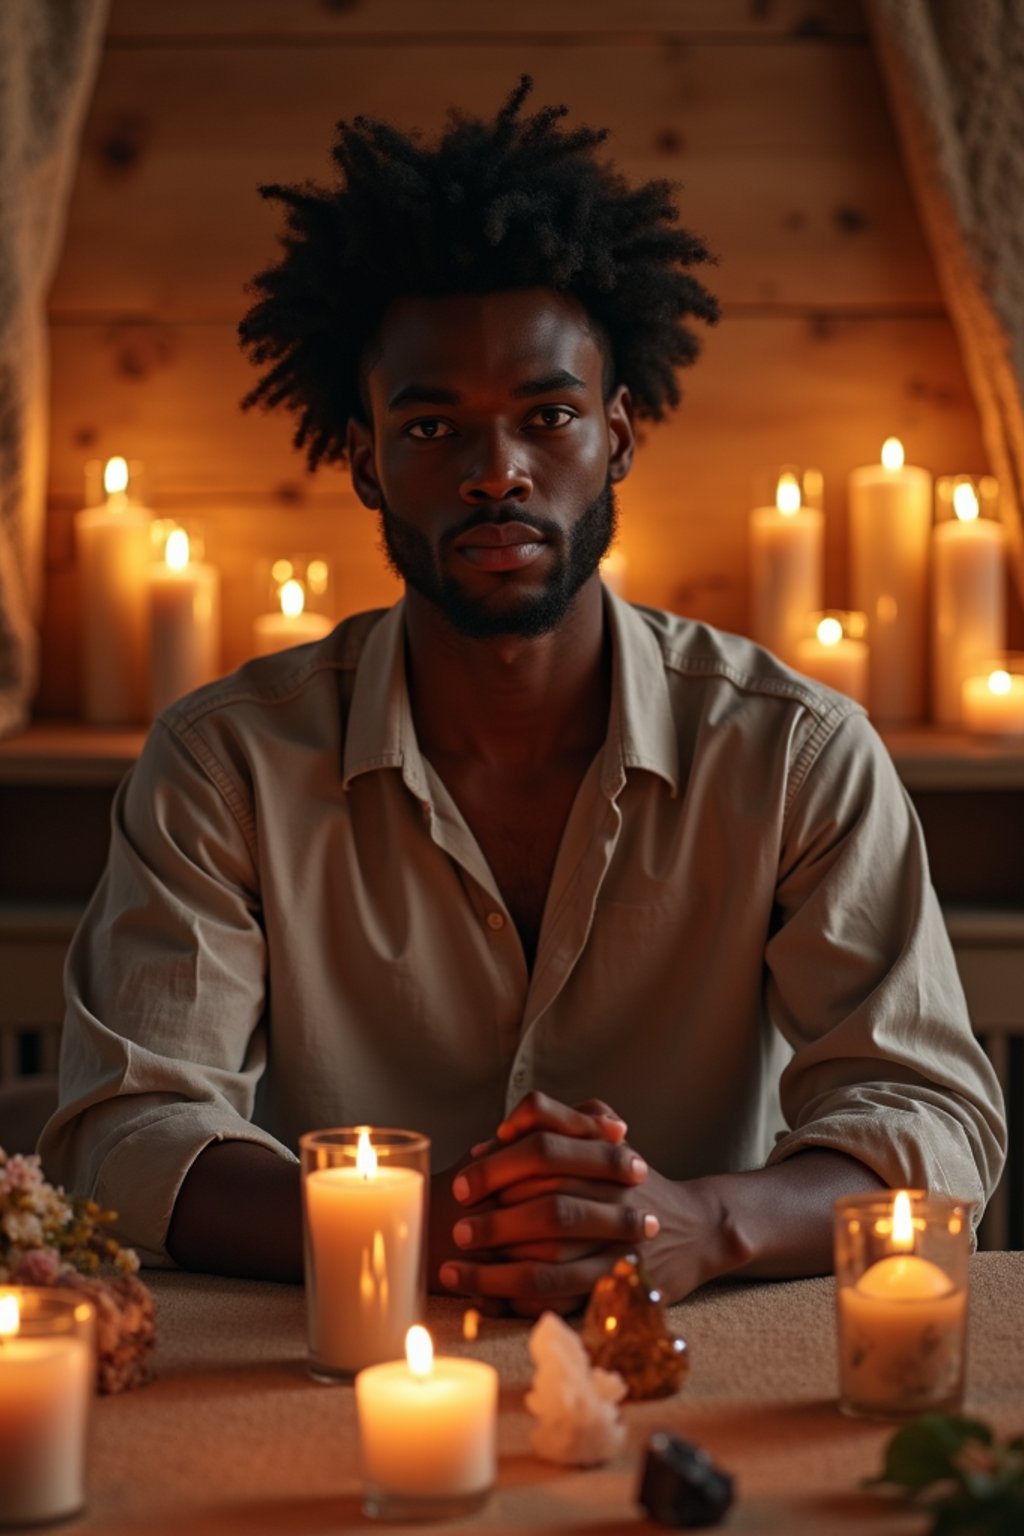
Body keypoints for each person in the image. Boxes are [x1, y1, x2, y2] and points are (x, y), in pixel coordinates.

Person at [40, 79, 1005, 1315]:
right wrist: (426, 1227)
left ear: (617, 435)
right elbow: (125, 1134)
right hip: (346, 1359)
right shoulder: (224, 762)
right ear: (364, 459)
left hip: (701, 1354)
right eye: (434, 426)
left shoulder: (795, 754)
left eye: (546, 418)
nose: (497, 473)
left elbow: (931, 1120)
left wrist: (702, 1220)